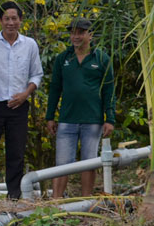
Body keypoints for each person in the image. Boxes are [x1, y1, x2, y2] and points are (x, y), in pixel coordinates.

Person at [0, 1, 43, 199]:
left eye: (14, 18)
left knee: (16, 155)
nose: (10, 22)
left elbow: (36, 75)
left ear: (20, 20)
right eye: (6, 19)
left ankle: (14, 199)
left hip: (19, 108)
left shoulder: (29, 45)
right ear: (0, 21)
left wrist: (25, 94)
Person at [45, 17, 116, 198]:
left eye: (80, 32)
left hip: (93, 119)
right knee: (62, 163)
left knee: (89, 162)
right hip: (67, 118)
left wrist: (110, 119)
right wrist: (50, 116)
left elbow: (109, 90)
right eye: (72, 32)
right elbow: (54, 88)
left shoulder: (101, 58)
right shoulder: (63, 58)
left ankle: (85, 201)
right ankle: (55, 203)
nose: (75, 36)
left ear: (90, 35)